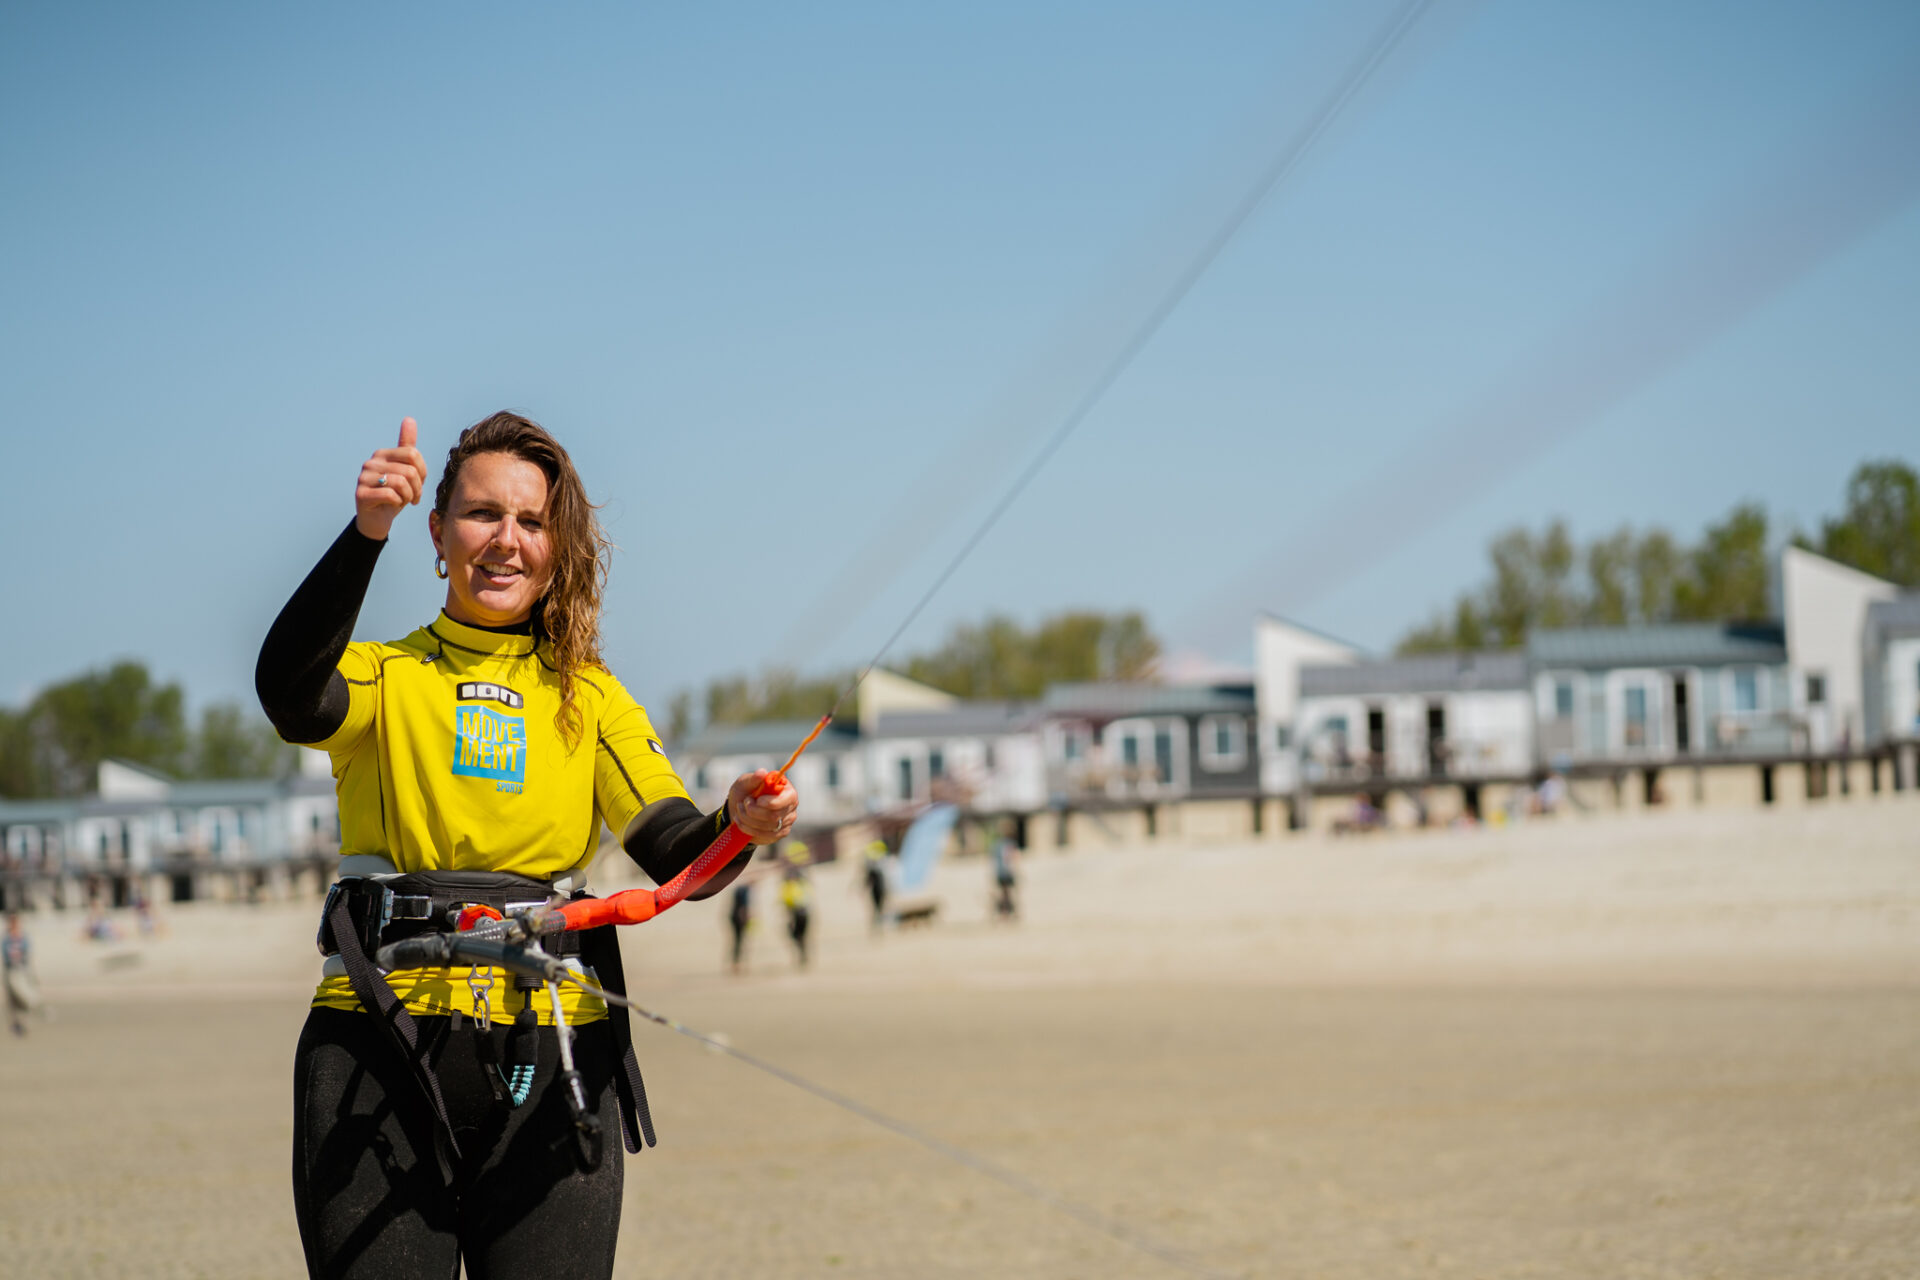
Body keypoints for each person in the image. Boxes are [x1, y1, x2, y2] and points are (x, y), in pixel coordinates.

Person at [256, 414, 798, 1280]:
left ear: (556, 545)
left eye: (532, 521)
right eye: (482, 515)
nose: (506, 540)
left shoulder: (591, 697)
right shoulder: (385, 675)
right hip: (376, 1047)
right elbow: (290, 693)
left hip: (553, 1057)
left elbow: (675, 853)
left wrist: (739, 822)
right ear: (438, 532)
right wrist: (365, 533)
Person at [778, 842, 812, 968]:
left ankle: (802, 954)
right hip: (795, 908)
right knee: (796, 934)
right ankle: (802, 954)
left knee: (800, 934)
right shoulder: (792, 875)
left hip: (801, 908)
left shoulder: (798, 875)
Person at [3, 914, 38, 1037]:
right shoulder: (6, 939)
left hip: (22, 971)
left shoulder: (23, 938)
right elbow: (5, 955)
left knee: (24, 998)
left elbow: (27, 954)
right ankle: (16, 1024)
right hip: (10, 971)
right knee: (12, 1001)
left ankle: (24, 1023)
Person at [988, 824, 1018, 921]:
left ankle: (1004, 913)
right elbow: (1012, 857)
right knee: (1008, 893)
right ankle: (1006, 913)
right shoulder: (1010, 844)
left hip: (999, 872)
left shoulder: (996, 844)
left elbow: (992, 859)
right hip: (1006, 872)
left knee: (1002, 893)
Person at [860, 839, 889, 933]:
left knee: (878, 909)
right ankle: (876, 926)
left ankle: (877, 926)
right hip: (878, 890)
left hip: (879, 889)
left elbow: (868, 880)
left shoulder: (877, 868)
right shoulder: (877, 869)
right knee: (877, 909)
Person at [727, 880, 753, 975]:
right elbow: (742, 907)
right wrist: (745, 918)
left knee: (738, 941)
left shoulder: (741, 889)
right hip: (738, 918)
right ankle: (737, 964)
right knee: (739, 941)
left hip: (734, 917)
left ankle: (737, 963)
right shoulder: (743, 890)